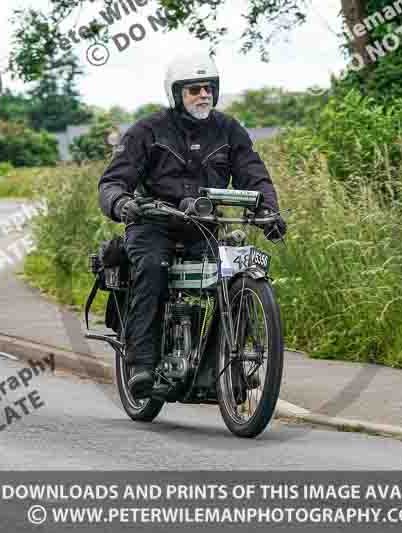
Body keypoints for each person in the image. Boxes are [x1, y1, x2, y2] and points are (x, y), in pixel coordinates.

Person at [98, 52, 287, 398]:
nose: (204, 95)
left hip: (203, 225)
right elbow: (112, 182)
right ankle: (141, 364)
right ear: (176, 94)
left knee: (234, 275)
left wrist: (270, 211)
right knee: (152, 267)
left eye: (209, 88)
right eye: (194, 89)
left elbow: (254, 174)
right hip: (152, 223)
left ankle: (215, 370)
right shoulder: (148, 130)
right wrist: (123, 204)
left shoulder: (229, 130)